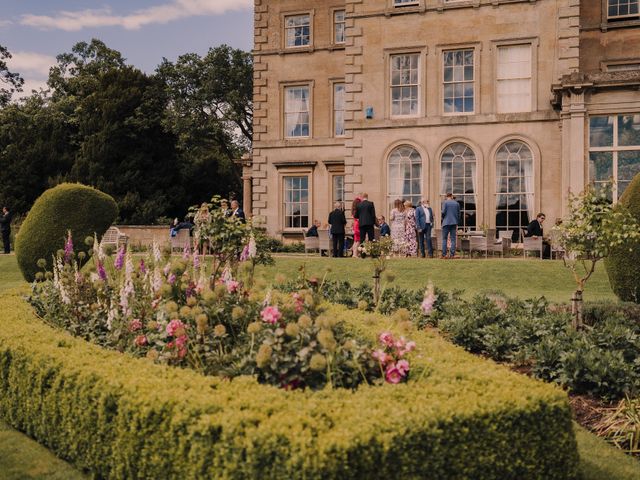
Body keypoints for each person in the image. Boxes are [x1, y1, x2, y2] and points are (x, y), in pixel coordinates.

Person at [441, 193, 460, 258]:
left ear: (446, 197)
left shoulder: (445, 203)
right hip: (454, 223)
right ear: (451, 196)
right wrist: (457, 221)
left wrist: (443, 219)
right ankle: (452, 254)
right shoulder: (456, 203)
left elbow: (443, 212)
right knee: (453, 239)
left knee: (444, 239)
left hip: (446, 222)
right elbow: (458, 214)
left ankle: (444, 254)